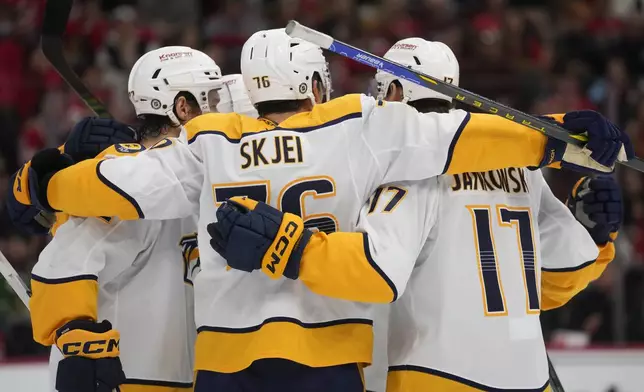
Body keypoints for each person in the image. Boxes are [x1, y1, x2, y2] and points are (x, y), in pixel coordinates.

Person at [19, 29, 630, 392]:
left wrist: (44, 182)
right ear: (316, 84)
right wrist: (554, 135)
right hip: (337, 354)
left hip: (221, 357)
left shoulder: (209, 143)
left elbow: (107, 190)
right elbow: (465, 139)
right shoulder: (360, 130)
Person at [208, 38, 624, 391]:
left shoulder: (410, 169)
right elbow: (559, 275)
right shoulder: (519, 166)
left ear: (392, 95)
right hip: (529, 374)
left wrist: (288, 245)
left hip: (437, 372)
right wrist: (598, 238)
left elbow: (376, 270)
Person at [10, 46, 227, 392]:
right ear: (183, 107)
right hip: (124, 380)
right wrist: (73, 330)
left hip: (193, 377)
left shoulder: (208, 171)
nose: (223, 109)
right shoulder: (134, 180)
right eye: (212, 98)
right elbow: (67, 257)